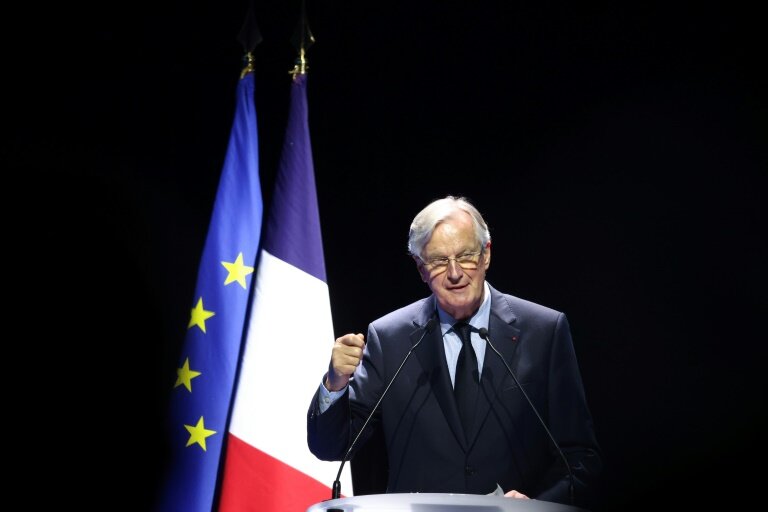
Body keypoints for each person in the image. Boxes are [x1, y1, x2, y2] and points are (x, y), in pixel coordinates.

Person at [307, 195, 602, 507]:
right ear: (421, 269)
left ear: (486, 254)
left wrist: (533, 504)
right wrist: (335, 383)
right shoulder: (390, 338)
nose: (455, 273)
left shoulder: (544, 330)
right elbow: (331, 447)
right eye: (437, 261)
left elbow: (581, 458)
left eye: (465, 255)